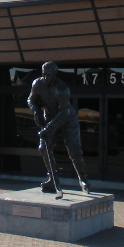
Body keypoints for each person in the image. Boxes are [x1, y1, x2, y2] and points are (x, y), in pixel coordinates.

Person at [27, 61, 90, 196]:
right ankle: (52, 179)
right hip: (49, 116)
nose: (45, 78)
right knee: (43, 148)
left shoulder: (62, 89)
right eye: (44, 74)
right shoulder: (37, 84)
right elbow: (30, 100)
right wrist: (36, 111)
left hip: (67, 119)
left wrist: (48, 129)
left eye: (48, 75)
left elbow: (63, 114)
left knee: (74, 150)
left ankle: (83, 178)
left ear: (55, 75)